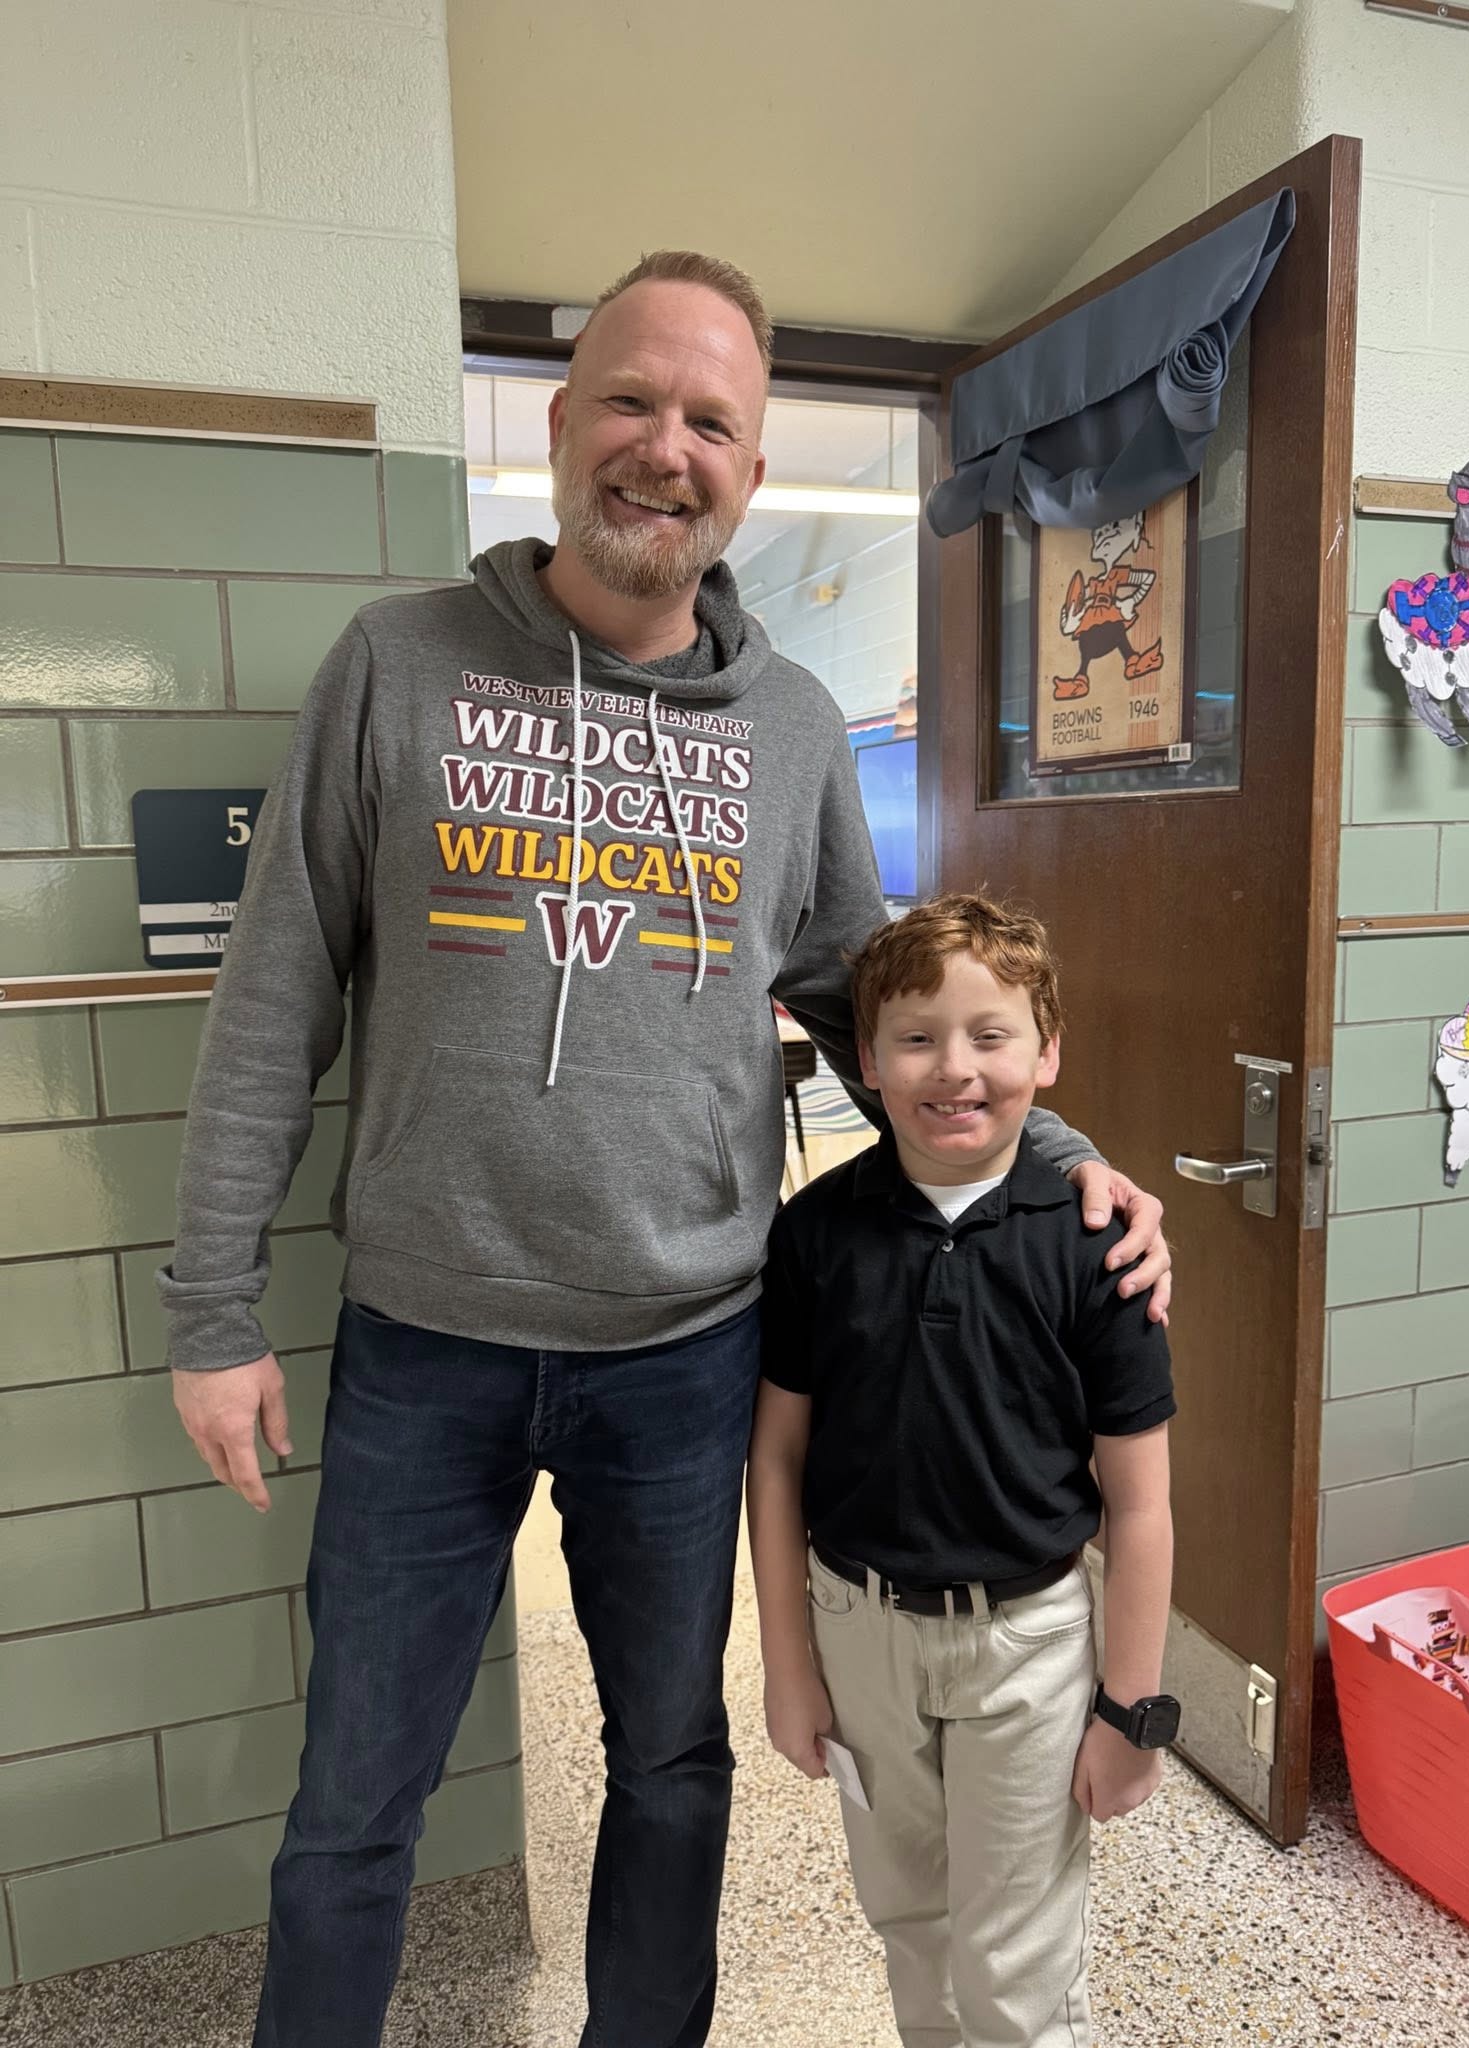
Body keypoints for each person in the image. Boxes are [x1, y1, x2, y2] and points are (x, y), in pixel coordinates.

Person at [162, 252, 1174, 2048]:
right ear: (558, 428)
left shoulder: (785, 729)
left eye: (712, 420)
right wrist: (212, 1305)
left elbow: (881, 1004)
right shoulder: (398, 663)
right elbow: (273, 995)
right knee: (353, 1801)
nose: (665, 447)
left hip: (685, 1350)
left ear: (750, 476)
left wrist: (1062, 1158)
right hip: (426, 1339)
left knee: (673, 1770)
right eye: (632, 401)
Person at [747, 892, 1177, 2048]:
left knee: (1014, 1962)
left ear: (1047, 1051)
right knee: (912, 1923)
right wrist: (789, 1668)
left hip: (1027, 1647)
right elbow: (777, 1459)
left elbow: (1140, 1504)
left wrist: (1132, 1711)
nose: (956, 1068)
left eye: (991, 1035)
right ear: (867, 1063)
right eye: (917, 1037)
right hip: (859, 1630)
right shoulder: (818, 1232)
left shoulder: (1101, 1243)